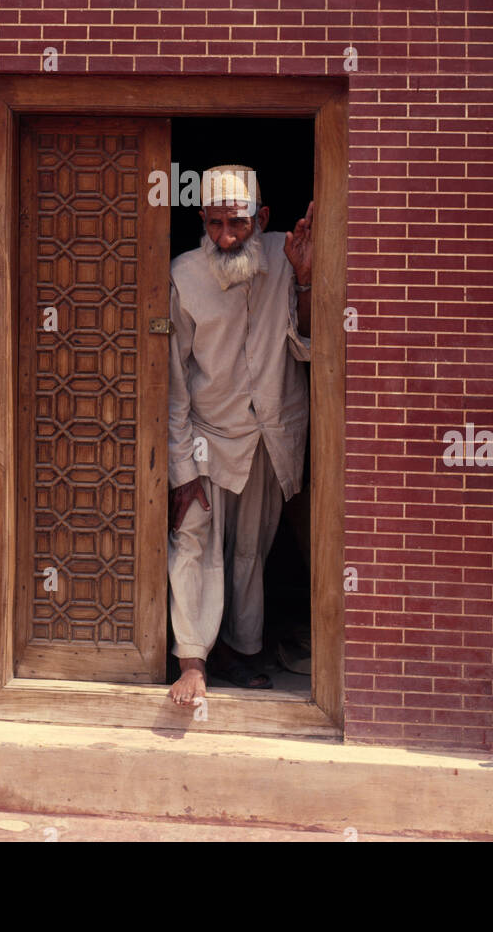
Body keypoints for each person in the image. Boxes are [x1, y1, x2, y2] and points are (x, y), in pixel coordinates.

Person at [166, 163, 313, 706]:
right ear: (201, 220)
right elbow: (174, 383)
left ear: (263, 217)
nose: (227, 238)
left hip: (268, 431)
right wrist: (181, 467)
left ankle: (242, 650)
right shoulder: (185, 275)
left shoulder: (287, 255)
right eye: (215, 224)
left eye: (240, 223)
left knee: (251, 549)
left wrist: (303, 281)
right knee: (193, 541)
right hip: (206, 433)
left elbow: (309, 350)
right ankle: (192, 660)